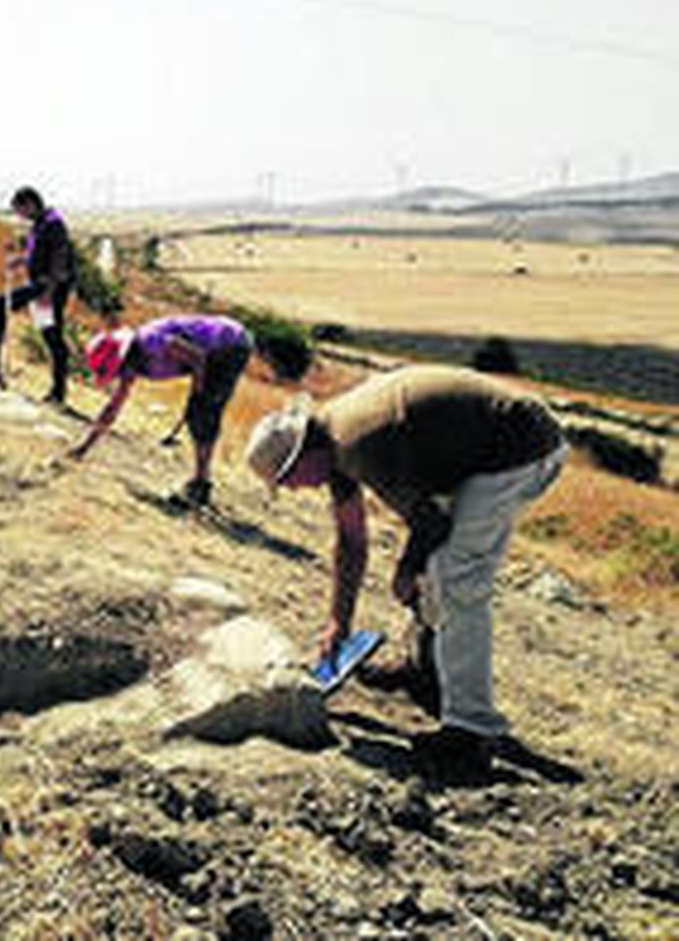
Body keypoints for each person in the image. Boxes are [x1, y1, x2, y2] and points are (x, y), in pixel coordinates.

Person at [244, 366, 567, 781]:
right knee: (435, 572)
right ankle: (423, 667)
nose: (293, 490)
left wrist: (406, 568)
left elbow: (431, 522)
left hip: (520, 448)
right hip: (482, 450)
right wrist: (338, 621)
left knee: (455, 579)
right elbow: (351, 541)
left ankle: (471, 733)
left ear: (303, 453)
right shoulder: (332, 443)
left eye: (287, 480)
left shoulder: (359, 445)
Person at [71, 315, 253, 506]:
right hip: (213, 351)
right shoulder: (132, 365)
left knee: (202, 412)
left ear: (124, 358)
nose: (120, 376)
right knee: (199, 412)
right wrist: (84, 447)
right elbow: (113, 406)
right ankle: (201, 482)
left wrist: (197, 392)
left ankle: (200, 485)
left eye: (118, 370)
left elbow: (197, 357)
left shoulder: (151, 342)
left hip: (229, 343)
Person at [0, 187, 76, 405]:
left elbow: (59, 261)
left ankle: (58, 391)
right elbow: (36, 253)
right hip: (39, 285)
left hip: (48, 288)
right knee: (47, 334)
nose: (20, 216)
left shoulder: (54, 225)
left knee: (51, 336)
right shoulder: (41, 223)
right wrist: (20, 260)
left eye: (20, 210)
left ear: (30, 204)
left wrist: (48, 293)